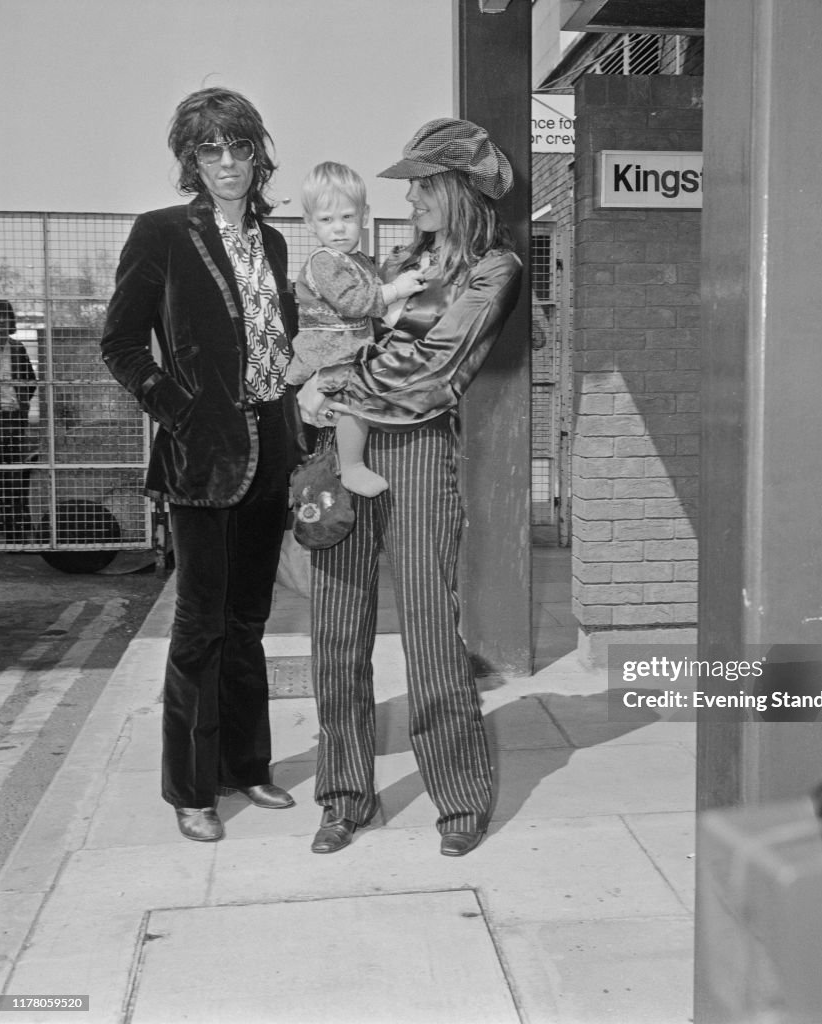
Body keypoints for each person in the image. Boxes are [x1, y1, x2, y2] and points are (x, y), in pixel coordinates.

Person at [299, 118, 522, 858]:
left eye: (425, 184)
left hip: (419, 451)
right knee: (336, 632)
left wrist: (332, 386)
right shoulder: (399, 259)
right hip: (345, 450)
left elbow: (430, 373)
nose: (413, 196)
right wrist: (316, 390)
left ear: (461, 192)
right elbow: (345, 330)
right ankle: (342, 797)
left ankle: (458, 799)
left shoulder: (495, 271)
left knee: (429, 632)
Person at [101, 87, 301, 842]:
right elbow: (119, 343)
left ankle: (246, 766)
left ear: (258, 153)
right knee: (198, 628)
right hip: (199, 460)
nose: (226, 162)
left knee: (248, 623)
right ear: (191, 158)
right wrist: (176, 406)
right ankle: (190, 788)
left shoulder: (274, 243)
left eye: (238, 146)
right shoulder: (160, 235)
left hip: (271, 453)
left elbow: (277, 346)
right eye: (209, 149)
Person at [285, 161, 425, 497]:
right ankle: (352, 467)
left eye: (347, 217)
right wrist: (397, 290)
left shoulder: (358, 259)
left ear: (364, 215)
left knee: (349, 404)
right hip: (328, 350)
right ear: (309, 223)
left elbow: (374, 306)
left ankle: (332, 472)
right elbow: (354, 302)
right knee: (351, 405)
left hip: (348, 346)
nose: (338, 229)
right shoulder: (324, 260)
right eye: (326, 219)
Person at [0, 300, 37, 541]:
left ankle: (14, 531)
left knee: (13, 473)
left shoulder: (17, 347)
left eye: (4, 317)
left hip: (12, 418)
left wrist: (21, 403)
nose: (1, 321)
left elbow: (31, 381)